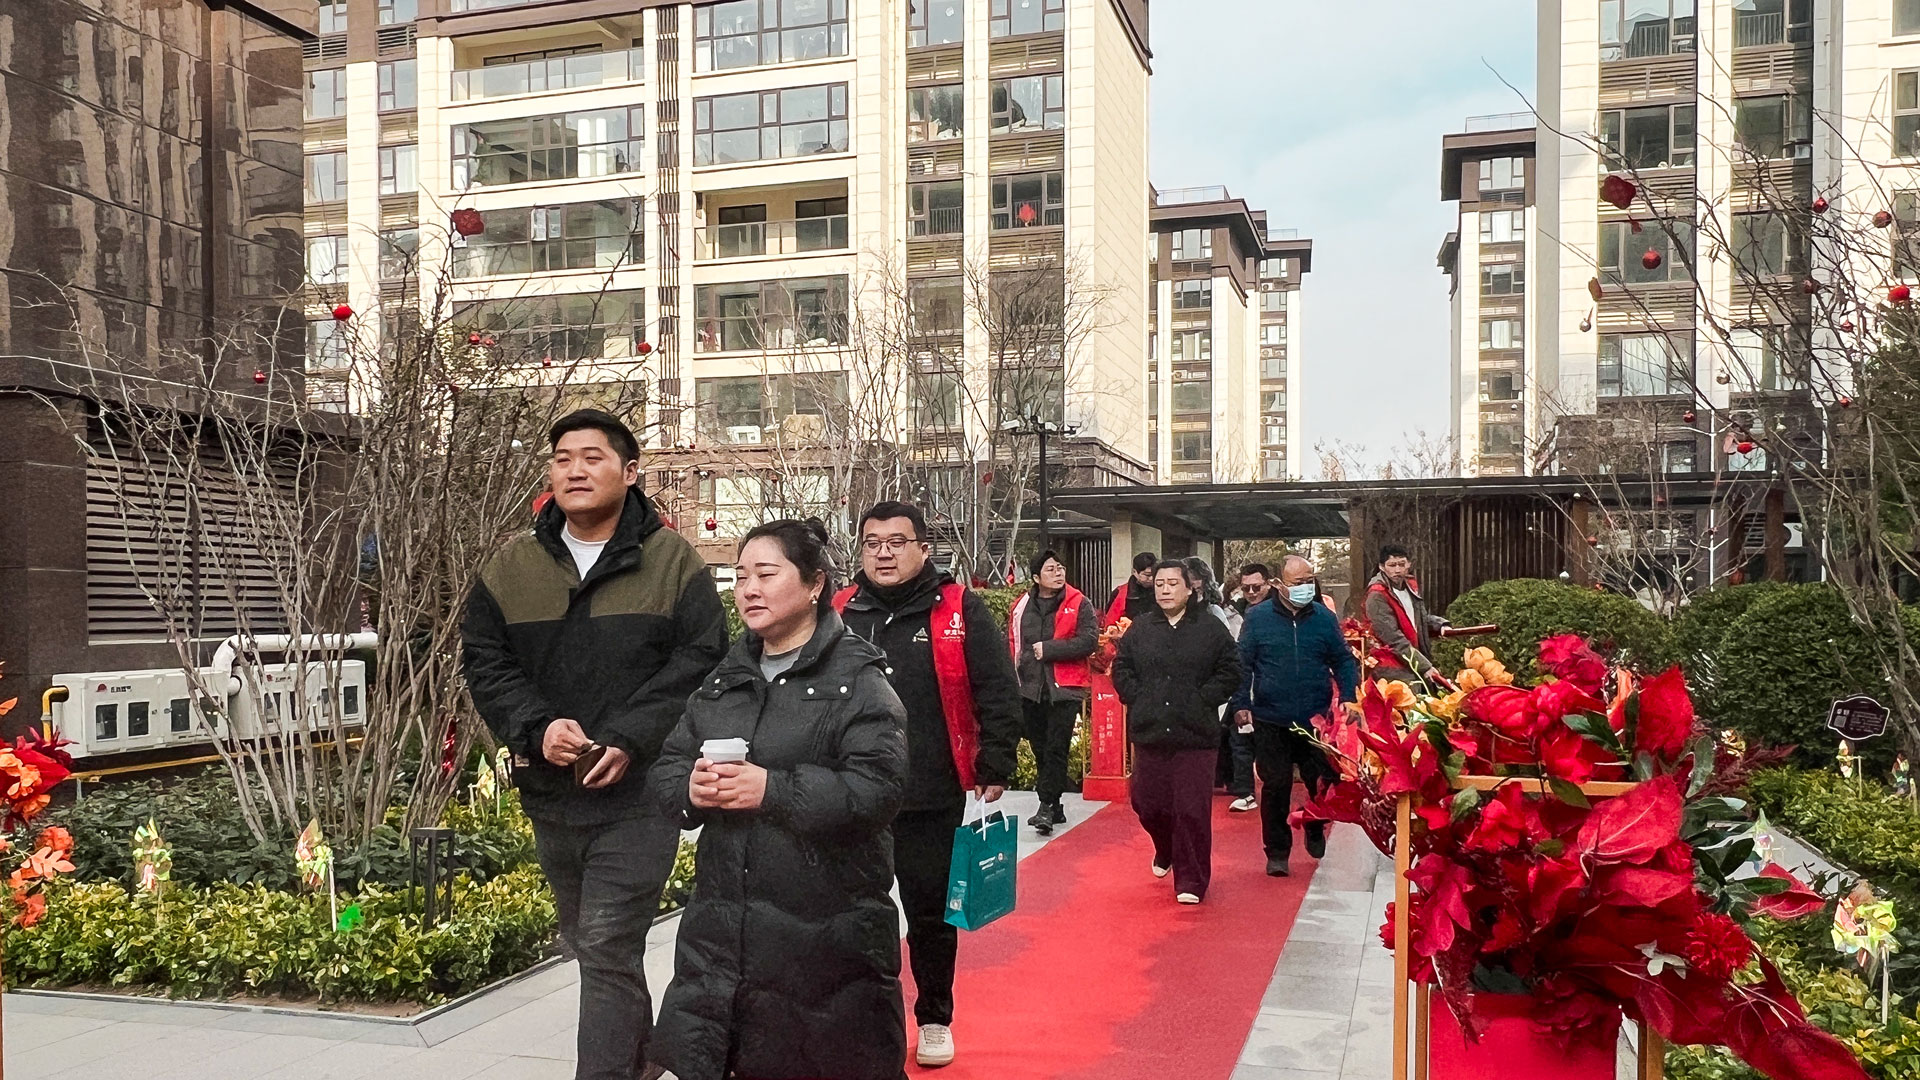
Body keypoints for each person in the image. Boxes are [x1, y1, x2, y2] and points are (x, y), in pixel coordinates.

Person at [461, 409, 727, 1080]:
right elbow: (486, 662)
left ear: (630, 472)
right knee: (595, 946)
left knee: (606, 943)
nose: (574, 470)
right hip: (552, 793)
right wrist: (538, 727)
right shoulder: (512, 565)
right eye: (562, 459)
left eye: (592, 457)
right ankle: (640, 1057)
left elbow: (700, 660)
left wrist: (631, 738)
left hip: (640, 796)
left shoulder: (672, 561)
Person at [647, 519, 910, 1080]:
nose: (749, 590)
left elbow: (877, 791)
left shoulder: (858, 678)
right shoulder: (726, 677)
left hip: (828, 936)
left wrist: (771, 789)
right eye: (740, 576)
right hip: (723, 932)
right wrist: (690, 788)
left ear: (814, 585)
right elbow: (668, 768)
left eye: (765, 575)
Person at [833, 501, 1022, 1069]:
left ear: (923, 548)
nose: (883, 554)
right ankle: (859, 1014)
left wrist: (995, 761)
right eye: (872, 543)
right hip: (851, 793)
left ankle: (935, 1017)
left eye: (897, 542)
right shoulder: (840, 609)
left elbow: (996, 686)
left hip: (929, 791)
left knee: (930, 915)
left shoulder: (958, 607)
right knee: (850, 911)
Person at [1111, 561, 1243, 904]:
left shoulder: (1211, 628)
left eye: (1172, 583)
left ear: (1189, 588)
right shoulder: (1141, 628)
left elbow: (1231, 669)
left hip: (1195, 734)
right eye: (1159, 584)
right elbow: (1122, 667)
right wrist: (1138, 697)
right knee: (1147, 804)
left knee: (1191, 809)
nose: (1165, 590)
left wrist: (1204, 698)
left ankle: (1192, 880)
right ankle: (1165, 847)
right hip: (1151, 730)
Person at [1231, 555, 1359, 877]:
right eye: (1298, 582)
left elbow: (1343, 660)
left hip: (1316, 719)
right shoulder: (1258, 618)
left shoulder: (1323, 618)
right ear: (1279, 584)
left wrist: (1348, 696)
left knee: (1322, 782)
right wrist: (1240, 703)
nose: (1305, 587)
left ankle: (1314, 824)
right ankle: (1277, 851)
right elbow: (1242, 664)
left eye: (1309, 581)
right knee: (1275, 785)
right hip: (1270, 716)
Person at [1010, 551, 1098, 835]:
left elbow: (1089, 641)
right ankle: (1056, 805)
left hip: (1065, 688)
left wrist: (1050, 649)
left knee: (1056, 746)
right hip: (1031, 688)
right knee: (1040, 748)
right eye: (1051, 569)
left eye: (1060, 568)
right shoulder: (1021, 605)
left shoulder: (1079, 602)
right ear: (1036, 578)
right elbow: (1013, 642)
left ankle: (1046, 806)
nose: (1058, 573)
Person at [1365, 543, 1450, 683]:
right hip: (1392, 668)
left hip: (1413, 661)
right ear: (1382, 567)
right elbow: (1392, 638)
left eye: (1401, 564)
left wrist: (1440, 624)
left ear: (1409, 564)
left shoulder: (1410, 586)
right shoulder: (1377, 595)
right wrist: (1424, 666)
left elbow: (1417, 619)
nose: (1397, 570)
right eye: (1392, 565)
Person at [1103, 551, 1159, 625]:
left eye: (1154, 574)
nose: (1151, 578)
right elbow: (1110, 622)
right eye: (1147, 575)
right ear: (1134, 572)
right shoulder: (1121, 593)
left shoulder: (1162, 590)